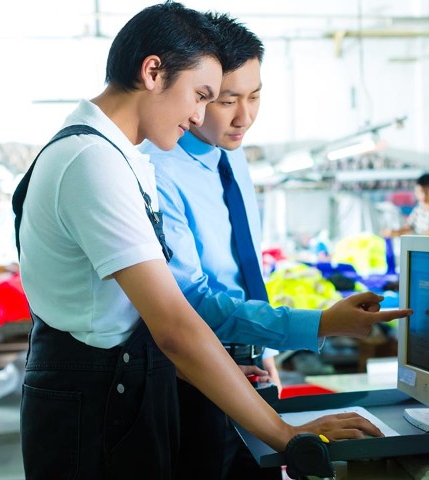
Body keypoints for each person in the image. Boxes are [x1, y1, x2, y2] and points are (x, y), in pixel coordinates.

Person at [12, 4, 410, 478]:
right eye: (204, 95)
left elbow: (128, 312)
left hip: (125, 385)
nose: (200, 115)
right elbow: (176, 325)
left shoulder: (119, 157)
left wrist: (201, 372)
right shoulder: (91, 161)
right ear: (153, 72)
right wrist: (286, 435)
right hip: (93, 404)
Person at [143, 14, 284, 478]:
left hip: (251, 363)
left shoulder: (235, 154)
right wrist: (311, 325)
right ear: (198, 94)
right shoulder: (158, 170)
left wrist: (265, 349)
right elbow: (193, 300)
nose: (245, 117)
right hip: (199, 374)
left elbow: (246, 269)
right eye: (227, 100)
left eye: (255, 96)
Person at [382, 173, 429, 237]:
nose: (423, 195)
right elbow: (408, 227)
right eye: (420, 192)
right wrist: (395, 232)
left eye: (426, 192)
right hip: (418, 245)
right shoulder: (418, 210)